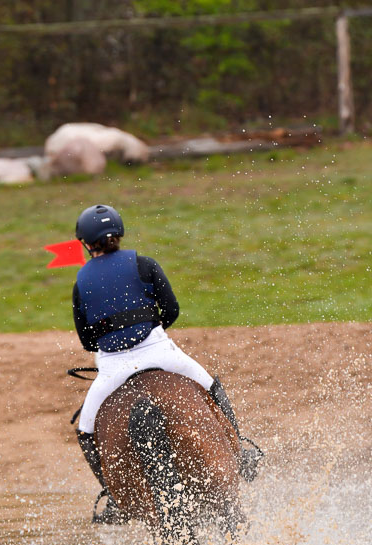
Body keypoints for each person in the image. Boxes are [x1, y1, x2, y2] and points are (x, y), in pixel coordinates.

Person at [72, 204, 262, 522]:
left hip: (113, 368)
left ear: (86, 243)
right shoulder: (144, 264)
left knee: (86, 429)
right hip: (159, 352)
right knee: (209, 385)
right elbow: (171, 310)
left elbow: (87, 340)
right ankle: (239, 451)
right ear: (119, 234)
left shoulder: (81, 282)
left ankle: (114, 497)